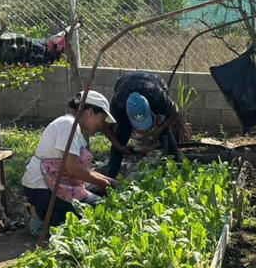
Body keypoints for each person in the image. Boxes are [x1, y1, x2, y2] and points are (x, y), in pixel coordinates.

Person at [22, 90, 117, 231]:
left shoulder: (76, 130)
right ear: (90, 113)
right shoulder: (68, 125)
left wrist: (109, 182)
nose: (101, 125)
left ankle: (45, 215)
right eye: (101, 119)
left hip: (62, 183)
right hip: (44, 189)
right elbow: (73, 169)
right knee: (100, 208)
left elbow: (81, 169)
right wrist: (104, 183)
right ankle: (40, 217)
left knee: (107, 191)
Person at [104, 71, 180, 178]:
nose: (142, 131)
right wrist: (120, 147)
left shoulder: (158, 98)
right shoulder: (118, 106)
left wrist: (161, 128)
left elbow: (175, 112)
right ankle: (110, 175)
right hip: (124, 84)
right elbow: (105, 127)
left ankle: (178, 168)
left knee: (165, 132)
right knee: (121, 133)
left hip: (154, 81)